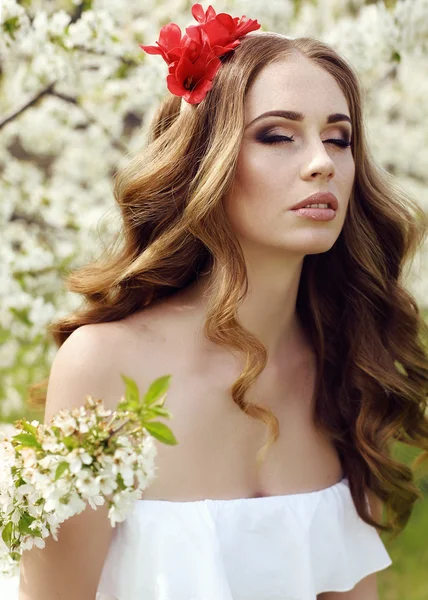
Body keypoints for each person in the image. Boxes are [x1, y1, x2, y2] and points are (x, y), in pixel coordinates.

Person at [18, 3, 428, 599]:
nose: (322, 164)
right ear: (205, 161)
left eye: (339, 139)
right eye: (278, 136)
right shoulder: (103, 365)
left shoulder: (345, 360)